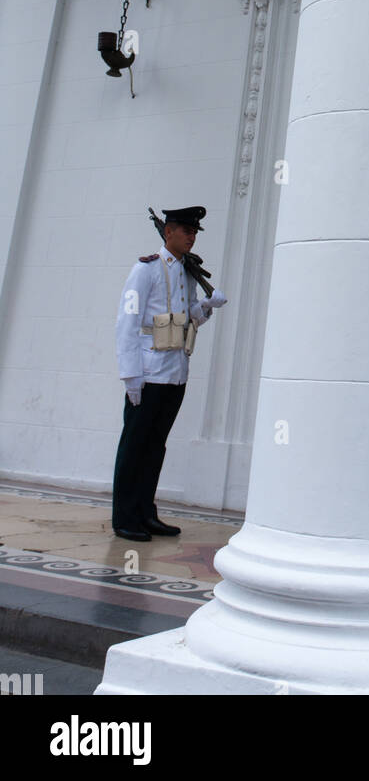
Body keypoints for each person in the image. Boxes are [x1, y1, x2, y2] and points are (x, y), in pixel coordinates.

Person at [112, 206, 227, 541]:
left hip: (175, 370)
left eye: (195, 232)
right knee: (135, 445)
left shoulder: (187, 272)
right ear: (169, 232)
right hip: (147, 372)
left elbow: (189, 318)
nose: (192, 237)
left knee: (155, 445)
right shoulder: (144, 270)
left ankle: (146, 513)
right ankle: (125, 517)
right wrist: (130, 375)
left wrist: (206, 306)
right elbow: (127, 323)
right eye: (187, 231)